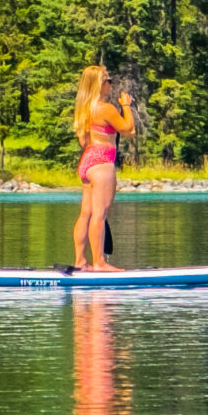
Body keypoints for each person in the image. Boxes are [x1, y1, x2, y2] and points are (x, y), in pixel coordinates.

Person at [71, 63, 133, 271]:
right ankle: (99, 262)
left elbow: (83, 142)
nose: (110, 84)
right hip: (102, 161)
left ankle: (80, 260)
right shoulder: (105, 108)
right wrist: (125, 105)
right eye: (107, 81)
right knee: (100, 214)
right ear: (99, 85)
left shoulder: (84, 110)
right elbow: (128, 129)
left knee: (85, 214)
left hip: (87, 162)